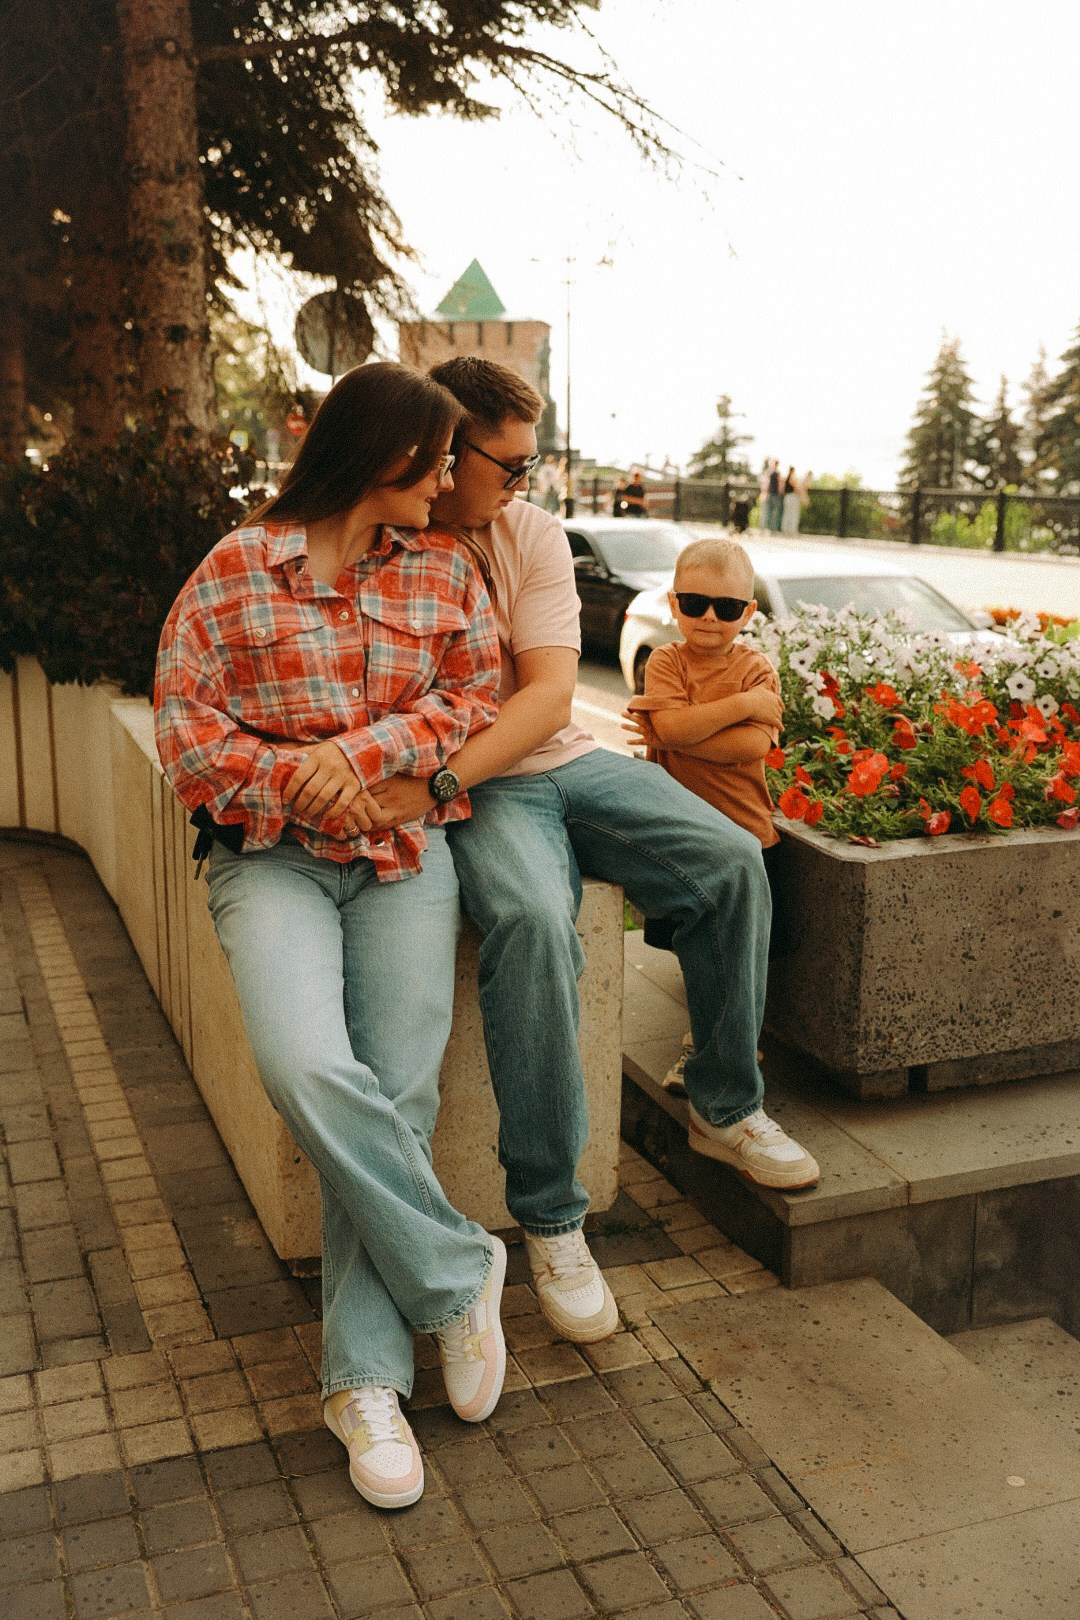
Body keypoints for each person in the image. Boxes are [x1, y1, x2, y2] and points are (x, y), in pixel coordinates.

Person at [367, 357, 820, 1351]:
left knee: (728, 861)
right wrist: (449, 781)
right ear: (448, 446)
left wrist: (450, 774)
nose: (528, 483)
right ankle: (553, 1219)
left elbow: (549, 696)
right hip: (483, 785)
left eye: (536, 463)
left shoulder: (526, 534)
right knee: (531, 920)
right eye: (513, 464)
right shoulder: (392, 531)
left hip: (558, 757)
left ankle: (723, 1106)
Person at [154, 362, 508, 1512]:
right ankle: (459, 1274)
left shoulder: (444, 569)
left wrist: (354, 761)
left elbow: (475, 695)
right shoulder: (232, 570)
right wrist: (301, 785)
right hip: (272, 864)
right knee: (308, 1064)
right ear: (388, 456)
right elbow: (186, 733)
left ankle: (361, 1385)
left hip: (406, 861)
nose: (451, 480)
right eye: (440, 457)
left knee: (397, 1097)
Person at [626, 540, 799, 1127]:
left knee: (741, 951)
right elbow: (680, 725)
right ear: (675, 603)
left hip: (745, 833)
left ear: (748, 613)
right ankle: (704, 1032)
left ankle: (724, 1046)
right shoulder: (668, 662)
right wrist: (740, 708)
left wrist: (671, 733)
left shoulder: (756, 668)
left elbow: (753, 745)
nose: (709, 619)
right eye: (696, 603)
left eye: (726, 608)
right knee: (692, 945)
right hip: (679, 833)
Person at [760, 459, 783, 532]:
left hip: (774, 495)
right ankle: (765, 528)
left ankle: (770, 528)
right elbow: (765, 484)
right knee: (767, 511)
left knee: (772, 512)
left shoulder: (776, 473)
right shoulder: (768, 472)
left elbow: (780, 485)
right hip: (769, 494)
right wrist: (764, 493)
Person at [781, 466, 802, 535]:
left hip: (786, 497)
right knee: (793, 514)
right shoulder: (792, 478)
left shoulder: (786, 478)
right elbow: (797, 488)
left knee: (786, 513)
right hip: (792, 497)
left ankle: (785, 529)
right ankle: (792, 530)